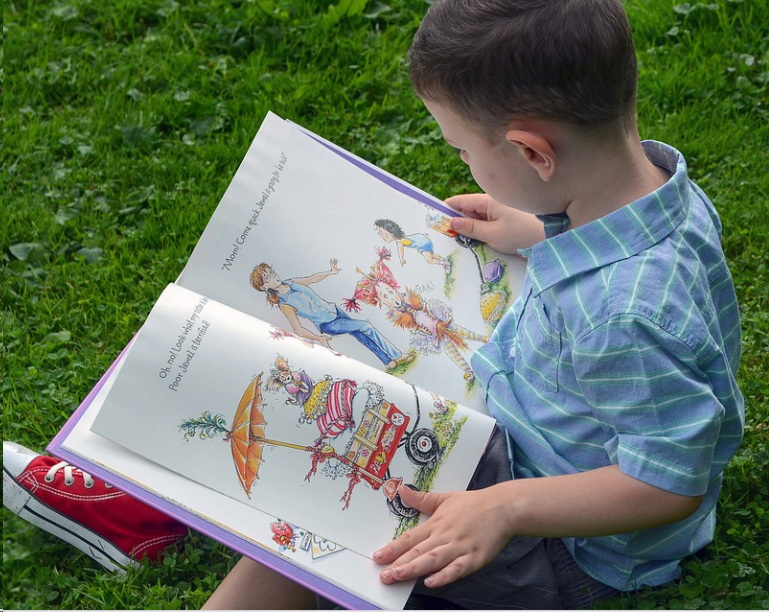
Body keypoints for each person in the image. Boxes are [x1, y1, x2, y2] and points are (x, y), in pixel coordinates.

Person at [3, 0, 744, 608]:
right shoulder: (657, 186)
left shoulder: (621, 311)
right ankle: (140, 494)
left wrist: (506, 508)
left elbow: (666, 482)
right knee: (293, 374)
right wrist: (533, 230)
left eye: (460, 148)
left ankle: (140, 527)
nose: (460, 160)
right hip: (524, 431)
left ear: (531, 154)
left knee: (342, 493)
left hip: (568, 546)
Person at [249, 259, 414, 370]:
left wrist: (331, 272)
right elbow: (298, 329)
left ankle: (388, 361)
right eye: (268, 278)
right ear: (264, 287)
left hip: (335, 311)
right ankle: (397, 355)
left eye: (272, 273)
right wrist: (319, 338)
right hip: (328, 324)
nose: (274, 276)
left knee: (360, 334)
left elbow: (311, 279)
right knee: (366, 326)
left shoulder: (291, 282)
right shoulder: (284, 303)